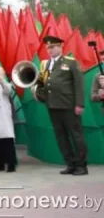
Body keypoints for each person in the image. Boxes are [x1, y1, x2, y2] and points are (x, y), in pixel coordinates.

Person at [33, 35, 88, 175]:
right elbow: (43, 82)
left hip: (68, 105)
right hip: (52, 105)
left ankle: (81, 165)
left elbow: (79, 84)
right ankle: (70, 163)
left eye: (52, 47)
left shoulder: (70, 62)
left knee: (76, 135)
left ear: (60, 47)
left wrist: (79, 104)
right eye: (48, 48)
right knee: (61, 136)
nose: (49, 50)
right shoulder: (46, 65)